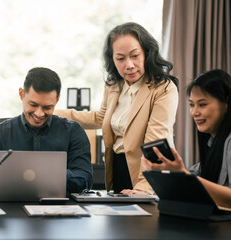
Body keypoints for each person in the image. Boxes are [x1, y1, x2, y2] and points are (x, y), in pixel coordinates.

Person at [54, 22, 179, 194]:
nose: (129, 65)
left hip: (150, 173)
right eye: (120, 58)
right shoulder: (114, 85)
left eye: (135, 55)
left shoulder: (163, 88)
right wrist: (53, 112)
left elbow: (155, 142)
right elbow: (101, 118)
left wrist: (143, 188)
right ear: (112, 59)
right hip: (119, 167)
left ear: (147, 53)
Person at [0, 67, 93, 195]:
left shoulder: (73, 132)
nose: (39, 114)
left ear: (57, 100)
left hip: (59, 210)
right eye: (33, 105)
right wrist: (10, 181)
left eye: (47, 107)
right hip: (8, 209)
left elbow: (85, 179)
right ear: (22, 94)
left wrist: (49, 174)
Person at [144, 69, 231, 208]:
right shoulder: (212, 144)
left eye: (202, 104)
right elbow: (194, 176)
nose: (194, 112)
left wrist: (183, 174)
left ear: (226, 103)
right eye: (191, 105)